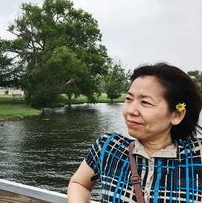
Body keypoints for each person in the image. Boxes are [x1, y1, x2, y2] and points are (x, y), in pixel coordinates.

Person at [68, 63, 202, 202]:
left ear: (177, 115)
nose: (131, 110)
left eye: (145, 102)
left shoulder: (197, 156)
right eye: (129, 99)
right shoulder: (109, 147)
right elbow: (79, 183)